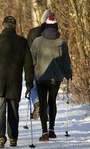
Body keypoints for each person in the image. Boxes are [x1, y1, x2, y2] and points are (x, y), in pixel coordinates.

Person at [0, 16, 34, 148]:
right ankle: (13, 138)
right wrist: (29, 83)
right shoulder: (22, 42)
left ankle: (0, 137)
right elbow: (28, 64)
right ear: (15, 26)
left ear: (3, 25)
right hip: (14, 82)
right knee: (13, 110)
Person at [30, 13, 72, 141]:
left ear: (46, 26)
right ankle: (52, 130)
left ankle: (44, 132)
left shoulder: (37, 42)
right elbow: (66, 62)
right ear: (56, 27)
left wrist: (30, 72)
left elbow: (32, 60)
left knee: (43, 103)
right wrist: (68, 73)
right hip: (56, 77)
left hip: (41, 76)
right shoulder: (62, 43)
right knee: (52, 101)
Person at [27, 9, 53, 119]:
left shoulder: (33, 32)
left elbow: (27, 49)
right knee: (46, 88)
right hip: (49, 65)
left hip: (34, 64)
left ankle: (37, 103)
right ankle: (45, 112)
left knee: (33, 86)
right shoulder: (54, 33)